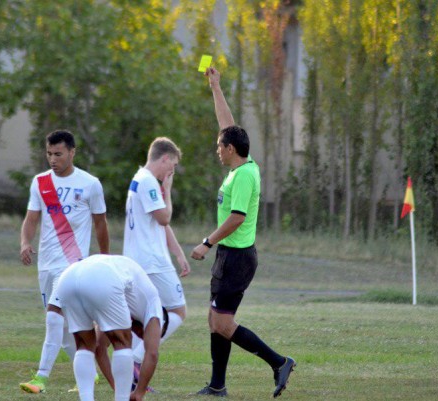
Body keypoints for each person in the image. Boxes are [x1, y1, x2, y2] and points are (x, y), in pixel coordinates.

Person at [190, 68, 296, 399]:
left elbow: (237, 217)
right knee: (213, 320)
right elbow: (227, 125)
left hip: (236, 258)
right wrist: (215, 86)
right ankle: (218, 386)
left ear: (231, 149)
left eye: (220, 146)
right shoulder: (241, 165)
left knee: (222, 324)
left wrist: (208, 242)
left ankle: (279, 362)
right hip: (230, 256)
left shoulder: (244, 177)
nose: (216, 149)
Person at [19, 129, 110, 393]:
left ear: (72, 152)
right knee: (67, 325)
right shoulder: (40, 182)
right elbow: (31, 219)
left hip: (73, 264)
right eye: (49, 153)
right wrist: (25, 242)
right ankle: (90, 371)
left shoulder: (90, 183)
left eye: (58, 154)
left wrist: (104, 259)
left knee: (53, 317)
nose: (52, 159)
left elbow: (100, 224)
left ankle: (40, 378)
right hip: (46, 264)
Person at [123, 137, 190, 386]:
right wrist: (168, 191)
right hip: (152, 263)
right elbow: (164, 217)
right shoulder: (150, 182)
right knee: (178, 311)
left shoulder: (138, 178)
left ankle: (128, 369)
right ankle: (135, 359)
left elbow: (158, 224)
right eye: (171, 165)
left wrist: (178, 253)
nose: (171, 171)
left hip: (137, 260)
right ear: (164, 158)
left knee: (141, 318)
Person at [56, 254, 165, 401]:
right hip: (102, 276)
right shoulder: (154, 307)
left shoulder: (126, 302)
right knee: (122, 343)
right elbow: (152, 354)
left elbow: (100, 348)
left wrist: (116, 386)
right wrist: (139, 393)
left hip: (67, 278)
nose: (142, 336)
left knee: (84, 346)